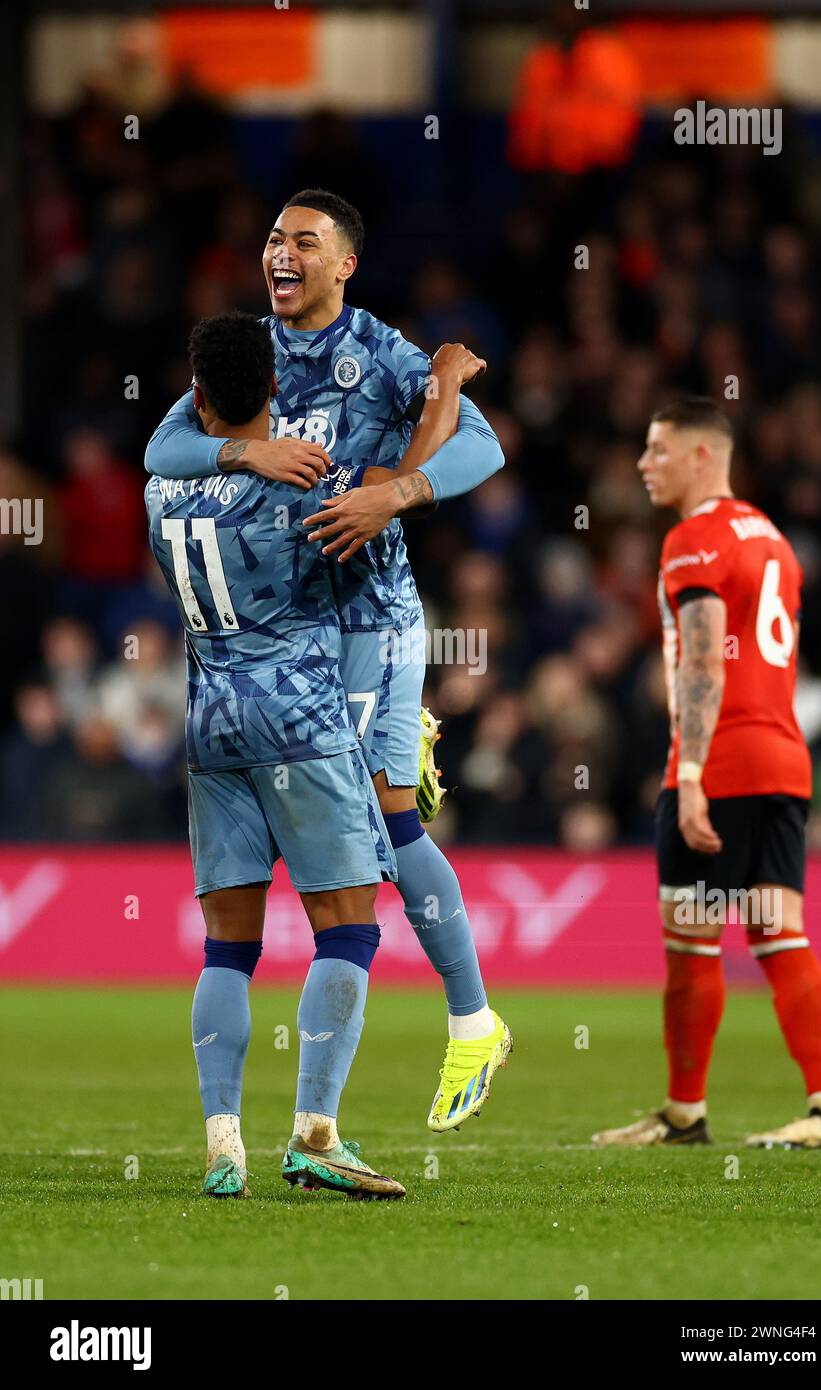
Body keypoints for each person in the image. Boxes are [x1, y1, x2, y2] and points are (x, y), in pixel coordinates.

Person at [145, 190, 513, 1134]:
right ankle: (465, 1023)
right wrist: (245, 451)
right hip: (291, 634)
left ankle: (469, 1022)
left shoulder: (378, 354)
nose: (281, 252)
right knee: (381, 829)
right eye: (273, 237)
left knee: (387, 823)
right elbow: (165, 445)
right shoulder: (249, 358)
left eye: (303, 241)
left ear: (343, 264)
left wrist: (400, 495)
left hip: (369, 622)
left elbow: (481, 443)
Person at [146, 311, 405, 1200]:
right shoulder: (306, 486)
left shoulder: (161, 488)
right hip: (299, 719)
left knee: (228, 947)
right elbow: (380, 557)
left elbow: (166, 443)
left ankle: (224, 1147)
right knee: (348, 927)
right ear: (275, 387)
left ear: (196, 390)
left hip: (209, 720)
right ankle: (315, 1136)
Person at [594, 396, 821, 1150]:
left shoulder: (694, 539)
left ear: (703, 455)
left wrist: (691, 775)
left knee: (692, 942)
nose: (645, 464)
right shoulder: (772, 537)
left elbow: (707, 656)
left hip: (726, 764)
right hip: (784, 757)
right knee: (779, 933)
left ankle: (684, 1111)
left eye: (657, 450)